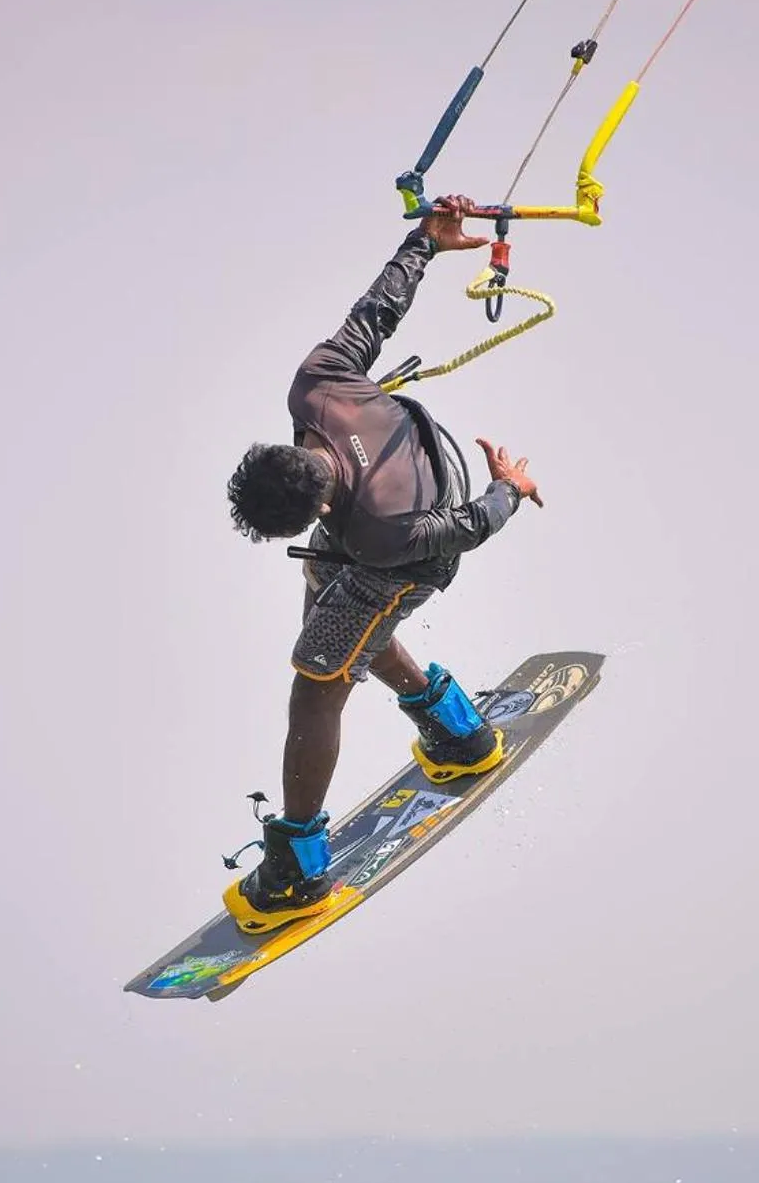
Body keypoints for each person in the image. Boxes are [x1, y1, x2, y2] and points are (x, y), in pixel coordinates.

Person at [220, 195, 546, 934]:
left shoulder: (378, 533)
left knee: (316, 684)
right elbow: (376, 313)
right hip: (400, 495)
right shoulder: (317, 386)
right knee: (335, 616)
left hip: (416, 549)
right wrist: (424, 241)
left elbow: (466, 528)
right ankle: (458, 732)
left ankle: (300, 872)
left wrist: (510, 490)